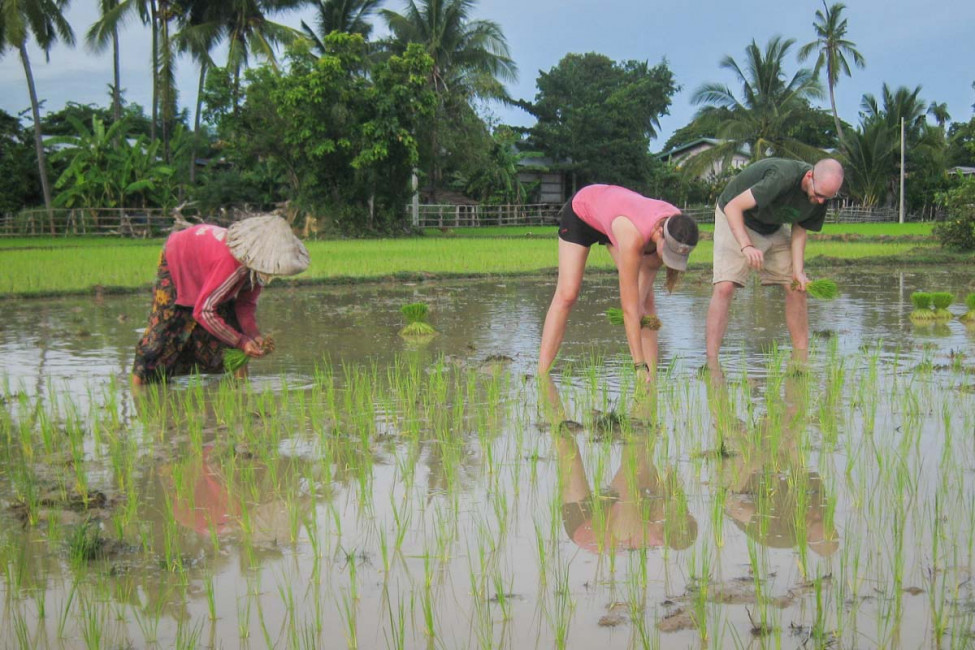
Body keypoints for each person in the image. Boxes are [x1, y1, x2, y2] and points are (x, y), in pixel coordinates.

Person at [538, 184, 699, 380]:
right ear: (659, 235)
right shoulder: (634, 237)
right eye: (668, 254)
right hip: (583, 210)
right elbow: (629, 308)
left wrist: (639, 304)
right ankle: (542, 375)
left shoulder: (679, 226)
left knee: (647, 303)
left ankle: (652, 380)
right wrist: (638, 365)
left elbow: (640, 297)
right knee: (567, 294)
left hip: (614, 216)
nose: (668, 260)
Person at [131, 215, 310, 386]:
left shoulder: (259, 267)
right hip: (178, 257)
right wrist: (241, 341)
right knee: (163, 331)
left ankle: (241, 389)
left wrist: (253, 336)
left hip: (207, 267)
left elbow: (245, 305)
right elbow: (203, 311)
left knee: (232, 326)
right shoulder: (233, 265)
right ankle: (137, 391)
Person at [705, 158, 844, 366]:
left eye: (828, 197)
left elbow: (800, 228)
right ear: (809, 177)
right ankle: (711, 361)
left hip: (772, 226)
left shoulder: (820, 196)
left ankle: (801, 359)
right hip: (735, 217)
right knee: (725, 287)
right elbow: (734, 207)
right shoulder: (781, 177)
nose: (822, 201)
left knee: (797, 287)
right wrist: (746, 245)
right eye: (819, 195)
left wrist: (798, 270)